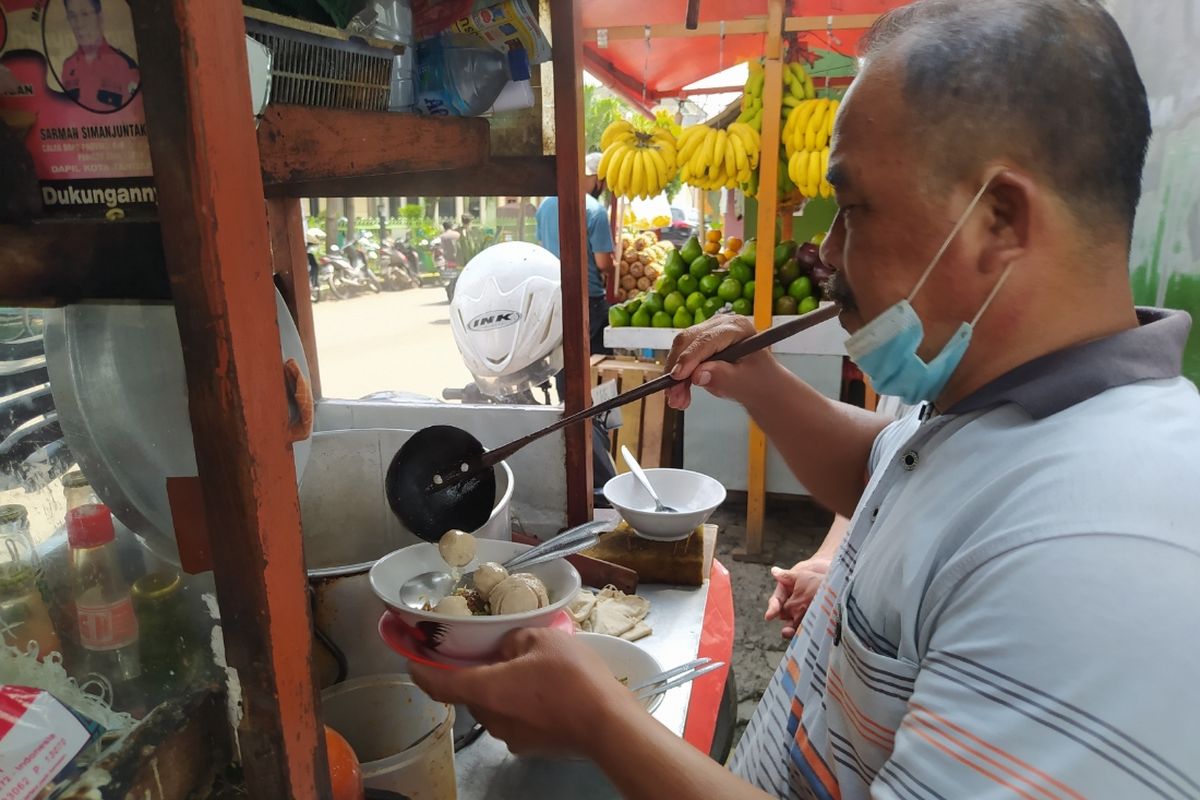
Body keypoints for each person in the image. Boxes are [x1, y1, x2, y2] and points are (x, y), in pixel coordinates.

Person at [410, 3, 1200, 798]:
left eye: (853, 208)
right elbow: (879, 475)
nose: (826, 252)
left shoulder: (1096, 548)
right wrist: (762, 385)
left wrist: (600, 725)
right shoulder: (985, 404)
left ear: (998, 220)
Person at [535, 151, 615, 355]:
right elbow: (603, 263)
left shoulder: (544, 205)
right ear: (598, 179)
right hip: (589, 299)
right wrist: (614, 267)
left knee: (563, 359)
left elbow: (542, 246)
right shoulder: (595, 211)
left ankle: (564, 389)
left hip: (554, 297)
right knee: (594, 364)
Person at [61, 0, 139, 112]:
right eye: (72, 16)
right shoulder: (68, 66)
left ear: (100, 17)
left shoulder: (126, 66)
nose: (79, 24)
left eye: (85, 14)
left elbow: (134, 116)